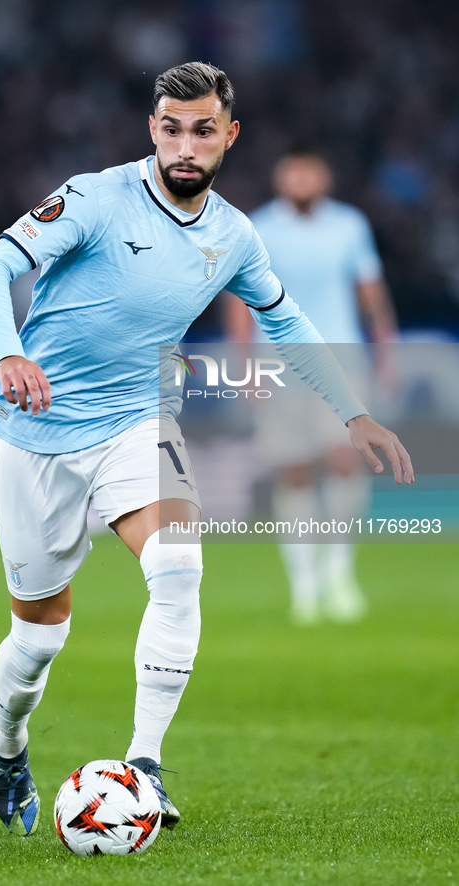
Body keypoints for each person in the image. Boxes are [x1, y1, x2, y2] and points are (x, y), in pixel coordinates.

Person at [0, 63, 413, 837]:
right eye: (170, 127)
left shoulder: (234, 235)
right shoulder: (95, 197)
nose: (184, 144)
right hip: (35, 430)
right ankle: (7, 743)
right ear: (152, 129)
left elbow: (286, 321)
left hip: (138, 419)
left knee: (178, 566)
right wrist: (8, 353)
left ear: (227, 136)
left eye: (202, 129)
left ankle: (144, 765)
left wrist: (354, 413)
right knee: (37, 640)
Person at [227, 148, 399, 624]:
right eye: (293, 169)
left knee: (346, 459)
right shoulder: (258, 227)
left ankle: (339, 572)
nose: (301, 178)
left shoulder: (349, 225)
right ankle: (303, 583)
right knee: (294, 470)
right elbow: (239, 300)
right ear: (281, 177)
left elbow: (371, 294)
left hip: (341, 360)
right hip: (278, 363)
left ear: (324, 176)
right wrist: (246, 366)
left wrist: (386, 352)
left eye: (309, 169)